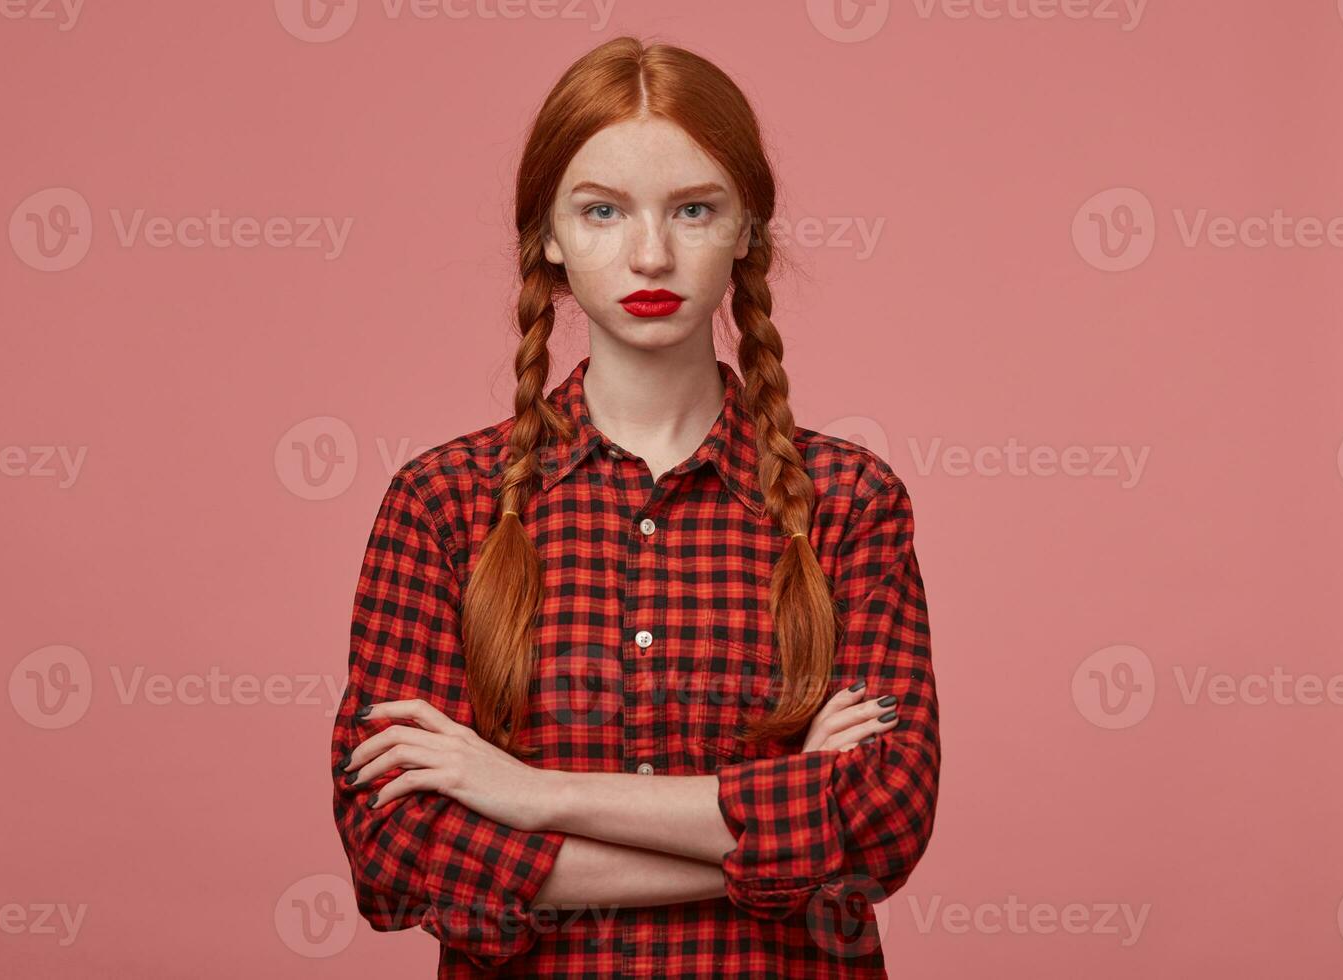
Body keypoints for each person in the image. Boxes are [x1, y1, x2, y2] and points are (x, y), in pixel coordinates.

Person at [330, 35, 939, 978]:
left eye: (693, 209)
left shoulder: (851, 504)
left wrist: (528, 794)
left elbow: (879, 827)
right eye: (603, 211)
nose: (650, 253)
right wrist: (775, 820)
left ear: (746, 230)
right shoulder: (440, 504)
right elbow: (398, 856)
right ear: (550, 235)